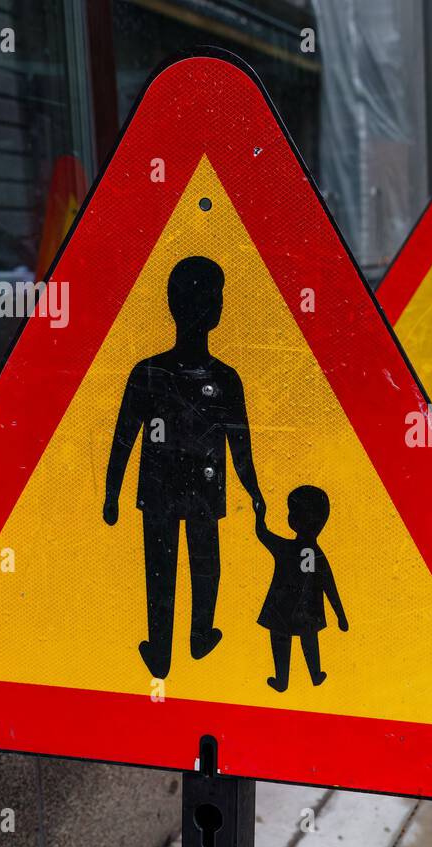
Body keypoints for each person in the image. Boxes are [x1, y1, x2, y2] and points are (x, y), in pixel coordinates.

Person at [103, 256, 264, 680]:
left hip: (160, 492)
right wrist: (255, 492)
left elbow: (124, 439)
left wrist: (112, 495)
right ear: (213, 310)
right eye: (216, 297)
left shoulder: (149, 371)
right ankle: (199, 635)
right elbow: (240, 446)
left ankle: (163, 649)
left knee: (164, 569)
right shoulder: (224, 378)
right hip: (200, 493)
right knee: (203, 563)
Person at [254, 486, 347, 692]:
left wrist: (259, 515)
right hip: (308, 608)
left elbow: (263, 534)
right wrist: (341, 616)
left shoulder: (286, 548)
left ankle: (282, 680)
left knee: (280, 638)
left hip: (282, 607)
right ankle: (315, 675)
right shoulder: (316, 553)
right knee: (309, 638)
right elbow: (329, 586)